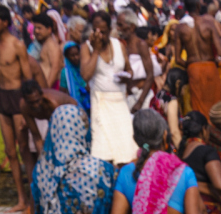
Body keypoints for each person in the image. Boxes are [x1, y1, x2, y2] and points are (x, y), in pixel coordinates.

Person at [0, 4, 34, 214]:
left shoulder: (18, 45)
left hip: (18, 97)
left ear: (5, 22)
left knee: (24, 150)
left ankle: (31, 200)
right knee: (11, 152)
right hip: (3, 98)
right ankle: (21, 200)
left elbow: (28, 78)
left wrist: (27, 108)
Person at [80, 11, 137, 166]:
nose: (100, 35)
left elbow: (129, 69)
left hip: (120, 102)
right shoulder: (87, 47)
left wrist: (127, 75)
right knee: (103, 153)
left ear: (110, 29)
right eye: (96, 31)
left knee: (126, 150)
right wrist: (96, 49)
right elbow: (85, 75)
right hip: (100, 102)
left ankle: (124, 186)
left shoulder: (119, 45)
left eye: (103, 32)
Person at [173, 0, 221, 117]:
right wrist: (217, 59)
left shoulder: (180, 28)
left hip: (193, 68)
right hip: (210, 67)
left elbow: (178, 59)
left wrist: (190, 65)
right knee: (216, 106)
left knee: (199, 107)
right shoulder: (208, 24)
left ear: (185, 8)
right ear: (198, 5)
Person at [18, 79, 75, 177]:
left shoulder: (53, 103)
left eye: (37, 101)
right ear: (25, 100)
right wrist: (43, 162)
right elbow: (36, 137)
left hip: (72, 115)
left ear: (41, 96)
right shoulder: (24, 106)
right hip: (55, 122)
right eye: (31, 103)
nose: (35, 105)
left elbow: (60, 136)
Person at [117, 10, 155, 113]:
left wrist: (140, 102)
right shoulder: (122, 46)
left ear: (132, 27)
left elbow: (150, 75)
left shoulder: (140, 45)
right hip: (129, 96)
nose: (118, 28)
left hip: (142, 96)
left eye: (120, 25)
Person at [31, 11, 63, 88]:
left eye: (39, 28)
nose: (36, 31)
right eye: (35, 28)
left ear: (49, 29)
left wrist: (46, 89)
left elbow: (55, 68)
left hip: (51, 86)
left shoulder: (52, 45)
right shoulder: (45, 44)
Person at [60, 37, 90, 112]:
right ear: (67, 57)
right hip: (75, 107)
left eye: (77, 54)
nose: (76, 57)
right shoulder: (65, 73)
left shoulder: (85, 67)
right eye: (72, 55)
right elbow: (63, 92)